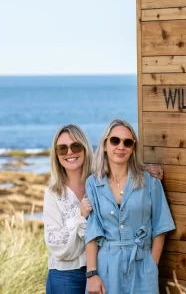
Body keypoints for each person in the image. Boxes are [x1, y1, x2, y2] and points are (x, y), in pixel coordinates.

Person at [43, 124, 164, 294]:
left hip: (102, 269)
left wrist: (145, 169)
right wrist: (79, 216)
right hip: (67, 274)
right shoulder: (53, 194)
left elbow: (120, 167)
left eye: (76, 146)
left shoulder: (97, 180)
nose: (70, 152)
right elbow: (55, 244)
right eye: (62, 148)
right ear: (56, 155)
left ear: (85, 149)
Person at [85, 119, 175, 294]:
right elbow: (92, 233)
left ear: (133, 148)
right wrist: (92, 274)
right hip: (106, 266)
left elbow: (160, 227)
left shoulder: (150, 181)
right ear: (104, 145)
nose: (121, 147)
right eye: (115, 141)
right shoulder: (93, 184)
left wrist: (152, 264)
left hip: (142, 265)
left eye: (127, 142)